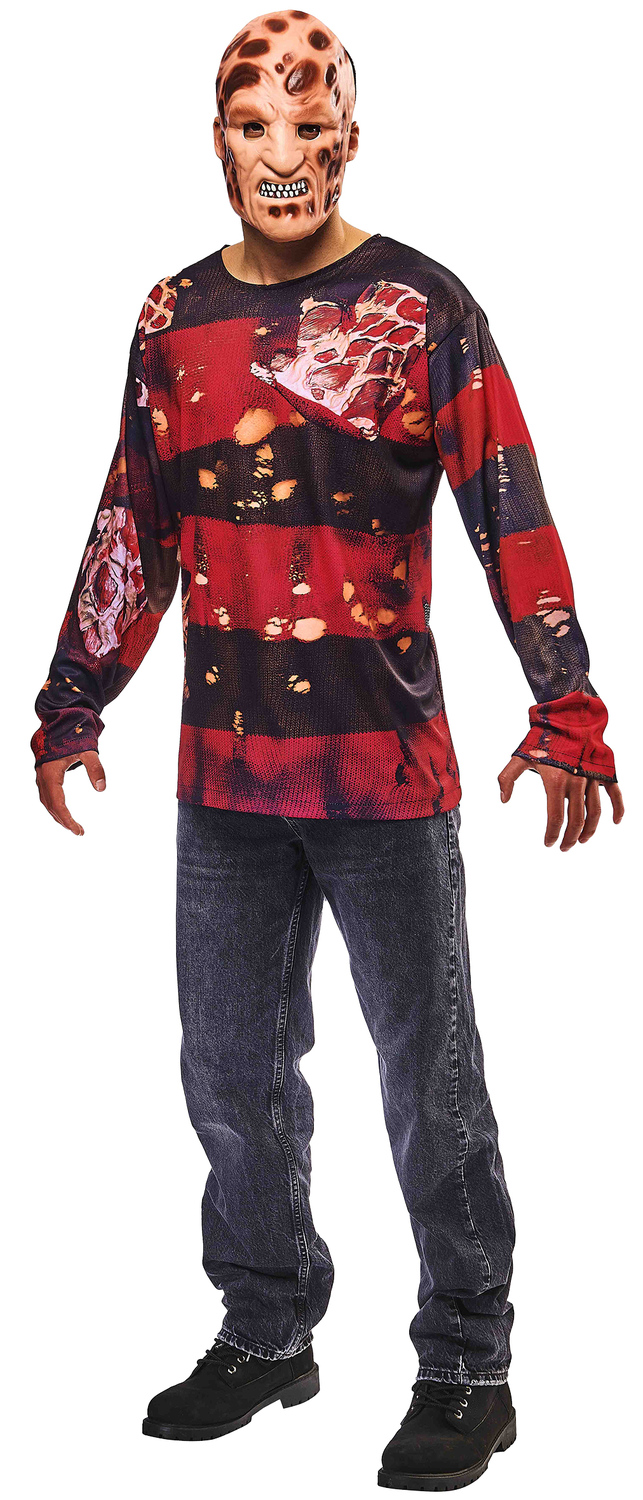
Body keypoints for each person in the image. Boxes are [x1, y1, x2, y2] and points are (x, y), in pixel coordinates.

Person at [31, 10, 623, 1489]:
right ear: (217, 141)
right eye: (255, 124)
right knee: (230, 1076)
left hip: (384, 774)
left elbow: (508, 504)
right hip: (224, 778)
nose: (283, 151)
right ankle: (268, 1330)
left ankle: (470, 1362)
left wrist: (567, 709)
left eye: (311, 121)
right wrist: (72, 697)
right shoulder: (172, 318)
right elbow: (135, 523)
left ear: (351, 135)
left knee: (431, 1079)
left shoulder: (422, 308)